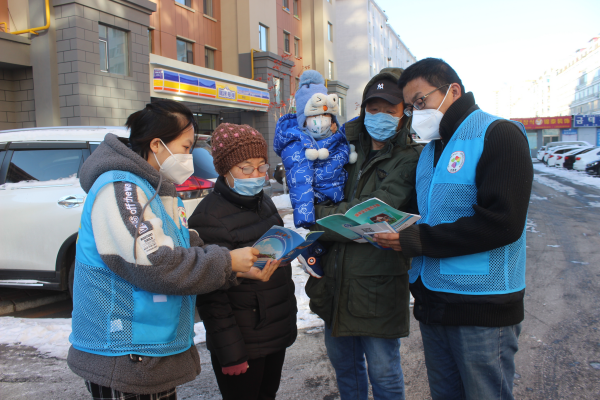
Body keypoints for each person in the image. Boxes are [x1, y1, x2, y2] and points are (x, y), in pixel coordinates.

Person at [68, 100, 262, 400]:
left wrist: (235, 267)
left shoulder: (157, 189)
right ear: (157, 145)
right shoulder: (120, 188)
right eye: (186, 148)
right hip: (124, 352)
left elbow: (185, 245)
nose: (189, 158)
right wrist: (226, 262)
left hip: (148, 351)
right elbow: (157, 264)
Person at [375, 58, 533, 400]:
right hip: (434, 304)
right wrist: (392, 227)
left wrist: (417, 239)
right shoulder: (430, 151)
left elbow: (503, 223)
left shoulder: (498, 134)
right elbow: (426, 214)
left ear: (453, 91)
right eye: (411, 107)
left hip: (482, 309)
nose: (416, 113)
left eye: (421, 102)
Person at [307, 67, 422, 400]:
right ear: (363, 109)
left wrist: (316, 217)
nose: (380, 116)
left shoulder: (409, 158)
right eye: (373, 109)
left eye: (389, 110)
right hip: (335, 281)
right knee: (346, 371)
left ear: (404, 114)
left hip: (378, 286)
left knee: (384, 376)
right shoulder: (340, 146)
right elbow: (315, 190)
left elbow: (369, 212)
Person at [189, 123, 297, 400]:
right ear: (225, 170)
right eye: (246, 168)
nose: (257, 175)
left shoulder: (265, 202)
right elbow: (210, 295)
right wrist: (231, 353)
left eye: (262, 166)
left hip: (272, 327)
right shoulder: (208, 217)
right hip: (242, 340)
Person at [274, 69, 357, 278]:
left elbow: (343, 157)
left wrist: (349, 152)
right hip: (320, 204)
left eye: (325, 115)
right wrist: (306, 218)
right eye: (314, 116)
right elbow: (299, 182)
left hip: (338, 199)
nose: (321, 121)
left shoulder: (336, 136)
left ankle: (317, 253)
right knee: (323, 236)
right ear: (304, 119)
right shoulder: (296, 144)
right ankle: (311, 251)